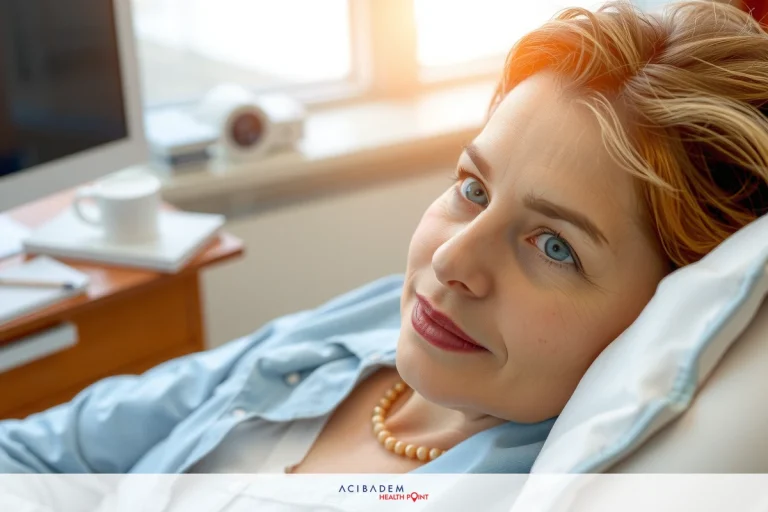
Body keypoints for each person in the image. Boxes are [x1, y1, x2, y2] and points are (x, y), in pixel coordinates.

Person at [1, 0, 767, 475]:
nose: (451, 259)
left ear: (661, 307)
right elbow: (48, 449)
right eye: (473, 189)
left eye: (554, 246)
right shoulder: (371, 323)